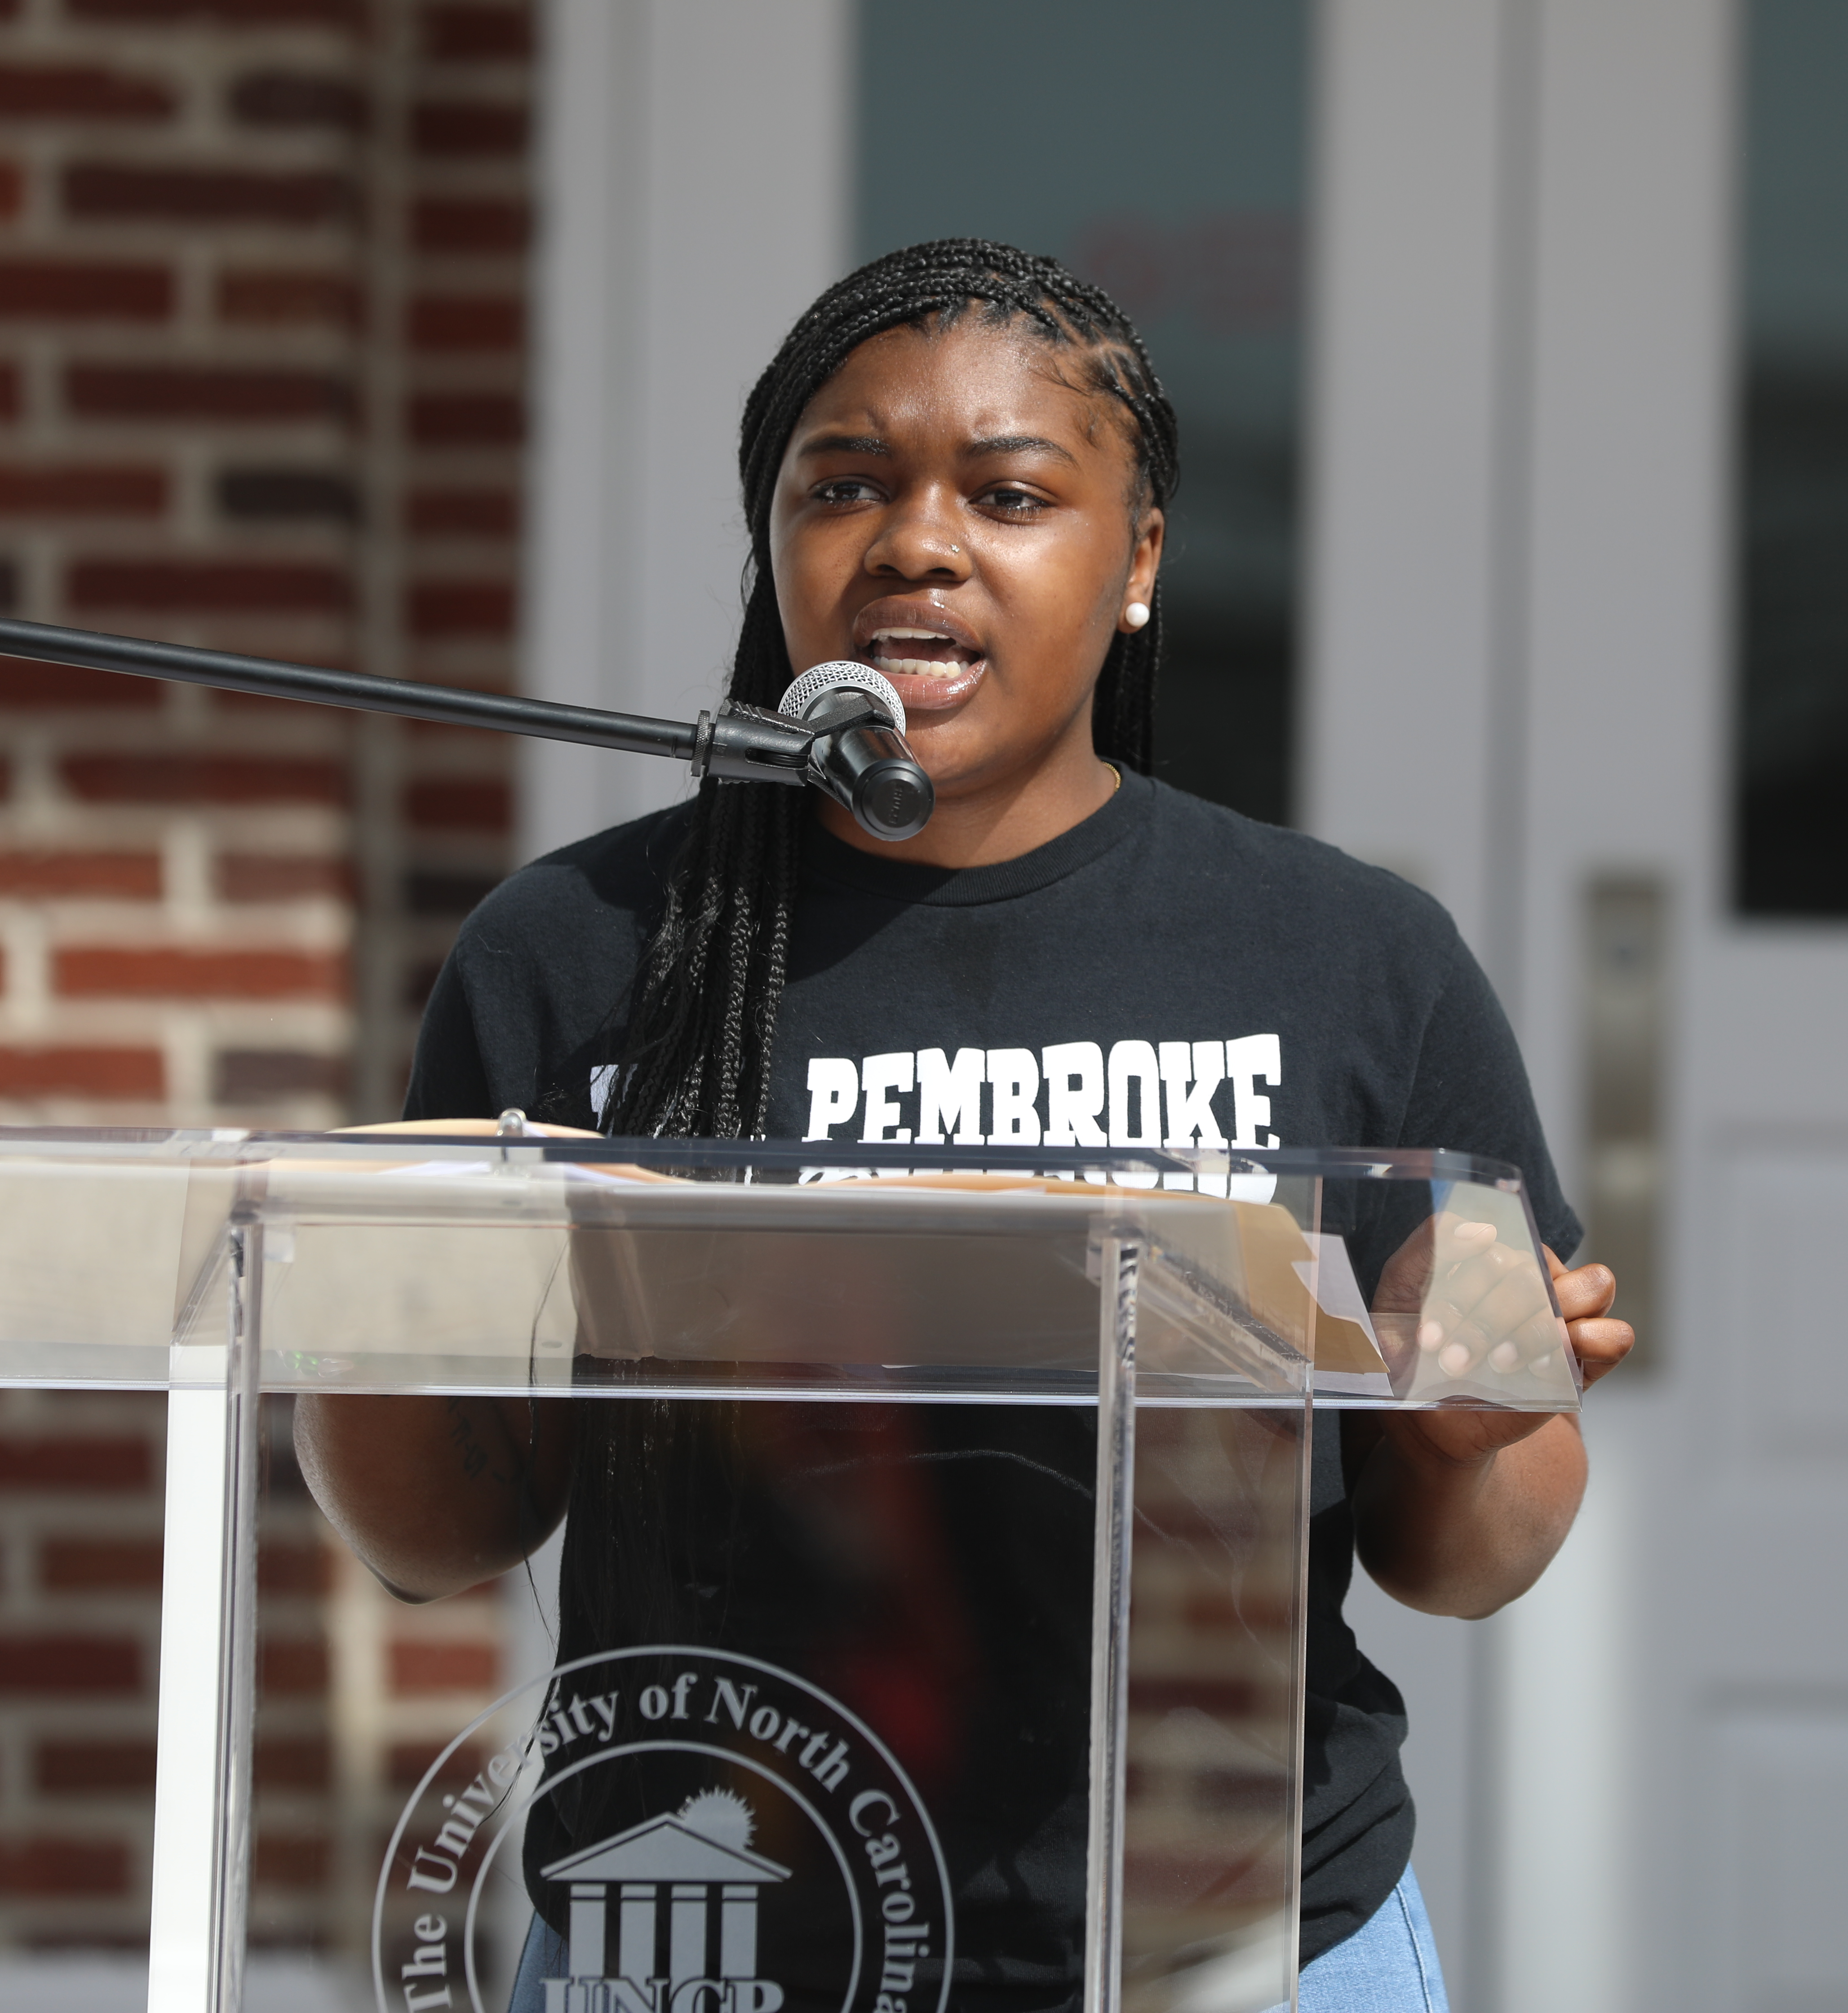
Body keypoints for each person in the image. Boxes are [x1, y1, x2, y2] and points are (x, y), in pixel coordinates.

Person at [297, 240, 1632, 2013]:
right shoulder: (583, 954)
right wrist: (364, 1312)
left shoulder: (1347, 957)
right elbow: (436, 1531)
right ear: (770, 541)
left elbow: (1469, 1557)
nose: (916, 540)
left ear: (1139, 555)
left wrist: (1466, 1432)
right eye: (841, 483)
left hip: (1235, 1953)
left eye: (1008, 493)